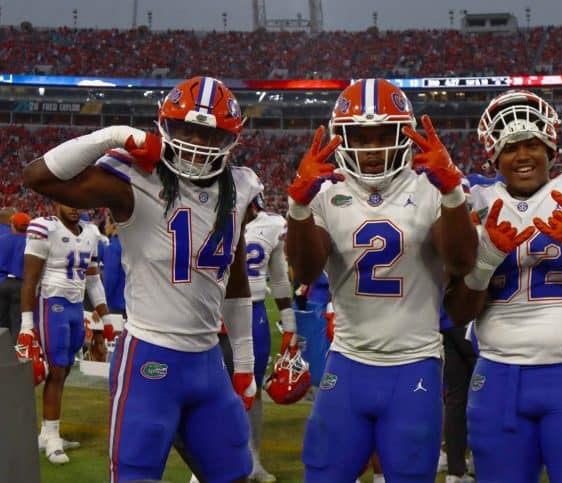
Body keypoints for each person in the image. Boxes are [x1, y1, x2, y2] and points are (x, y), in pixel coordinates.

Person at [22, 76, 262, 482]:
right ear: (164, 125)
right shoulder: (134, 178)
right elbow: (37, 176)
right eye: (185, 128)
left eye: (208, 133)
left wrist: (244, 362)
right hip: (150, 356)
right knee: (136, 474)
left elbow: (235, 280)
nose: (195, 142)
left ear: (229, 139)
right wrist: (114, 135)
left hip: (208, 360)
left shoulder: (240, 187)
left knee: (234, 474)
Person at [443, 89, 562, 483]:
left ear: (551, 146)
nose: (523, 156)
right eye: (511, 146)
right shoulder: (474, 201)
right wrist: (484, 261)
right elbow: (456, 313)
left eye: (532, 144)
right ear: (493, 154)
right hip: (498, 375)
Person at [286, 78, 477, 482]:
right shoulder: (325, 189)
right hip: (348, 359)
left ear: (403, 135)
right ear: (342, 139)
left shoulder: (431, 184)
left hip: (414, 362)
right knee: (322, 474)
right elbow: (304, 273)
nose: (372, 150)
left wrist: (453, 194)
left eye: (382, 136)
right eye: (360, 137)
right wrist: (298, 208)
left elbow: (461, 262)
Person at [19, 202, 115, 464]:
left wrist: (105, 316)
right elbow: (29, 280)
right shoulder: (44, 227)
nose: (75, 208)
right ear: (55, 201)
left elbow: (93, 279)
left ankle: (48, 432)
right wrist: (27, 324)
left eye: (79, 203)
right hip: (51, 303)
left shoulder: (91, 233)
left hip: (74, 307)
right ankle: (51, 438)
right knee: (55, 369)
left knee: (65, 370)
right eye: (68, 202)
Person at [243, 191, 297, 482]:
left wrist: (289, 324)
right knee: (215, 390)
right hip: (215, 314)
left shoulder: (271, 225)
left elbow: (278, 277)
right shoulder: (210, 216)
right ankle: (209, 462)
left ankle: (253, 460)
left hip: (254, 313)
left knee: (252, 390)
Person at [440, 306, 476, 483]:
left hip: (449, 319)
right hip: (473, 320)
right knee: (490, 391)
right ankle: (481, 459)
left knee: (456, 398)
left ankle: (456, 472)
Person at [0, 212, 30, 339]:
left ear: (12, 224)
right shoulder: (31, 242)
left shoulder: (2, 239)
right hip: (21, 285)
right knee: (17, 323)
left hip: (2, 282)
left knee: (1, 323)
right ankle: (15, 356)